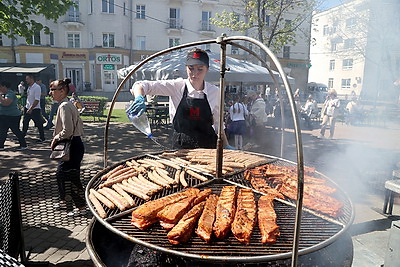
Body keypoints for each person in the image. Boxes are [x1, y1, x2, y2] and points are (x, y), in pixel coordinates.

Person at [128, 48, 232, 149]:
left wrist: (226, 145)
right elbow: (141, 85)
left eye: (200, 69)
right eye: (191, 68)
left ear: (207, 69)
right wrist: (139, 97)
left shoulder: (215, 92)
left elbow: (218, 125)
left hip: (208, 148)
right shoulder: (177, 86)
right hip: (181, 148)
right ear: (186, 68)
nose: (195, 74)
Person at [50, 78, 86, 216]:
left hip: (71, 145)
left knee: (67, 175)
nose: (50, 93)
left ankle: (81, 207)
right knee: (64, 175)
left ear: (62, 90)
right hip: (75, 144)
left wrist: (55, 138)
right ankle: (64, 201)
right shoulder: (67, 104)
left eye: (53, 90)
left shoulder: (64, 106)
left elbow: (68, 130)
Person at [0, 81, 27, 150]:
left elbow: (6, 103)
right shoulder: (3, 94)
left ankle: (23, 144)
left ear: (4, 86)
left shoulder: (10, 93)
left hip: (13, 116)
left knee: (15, 130)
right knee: (3, 130)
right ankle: (1, 145)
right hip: (4, 115)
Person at [22, 75, 45, 143]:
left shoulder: (37, 87)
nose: (26, 80)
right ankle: (22, 136)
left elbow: (37, 99)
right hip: (27, 107)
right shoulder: (29, 87)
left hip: (35, 108)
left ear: (32, 79)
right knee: (25, 122)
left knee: (38, 123)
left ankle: (42, 137)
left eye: (27, 79)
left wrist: (31, 108)